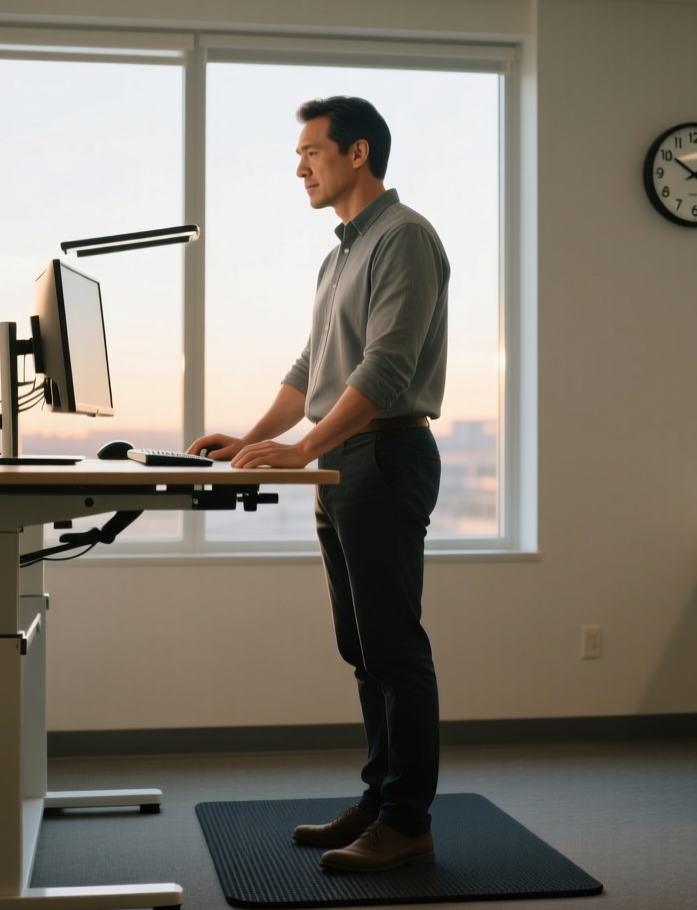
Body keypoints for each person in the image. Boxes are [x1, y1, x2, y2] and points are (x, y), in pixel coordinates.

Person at [188, 96, 448, 872]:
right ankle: (379, 797)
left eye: (311, 151)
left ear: (357, 153)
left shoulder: (404, 239)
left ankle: (408, 821)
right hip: (342, 463)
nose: (300, 167)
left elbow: (385, 369)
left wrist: (302, 451)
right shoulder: (339, 254)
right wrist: (258, 437)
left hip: (385, 455)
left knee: (395, 648)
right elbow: (312, 371)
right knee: (360, 647)